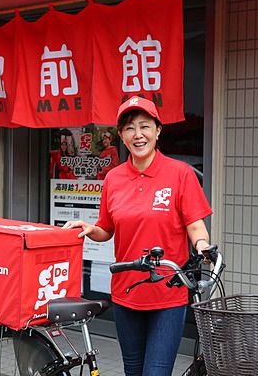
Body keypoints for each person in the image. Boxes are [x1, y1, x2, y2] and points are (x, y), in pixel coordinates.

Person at [63, 96, 213, 376]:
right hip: (126, 292)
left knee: (155, 372)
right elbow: (106, 229)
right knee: (132, 370)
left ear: (158, 130)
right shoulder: (114, 178)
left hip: (168, 294)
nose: (138, 134)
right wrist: (88, 229)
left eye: (145, 126)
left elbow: (195, 225)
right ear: (121, 135)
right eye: (130, 128)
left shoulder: (180, 174)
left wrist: (202, 245)